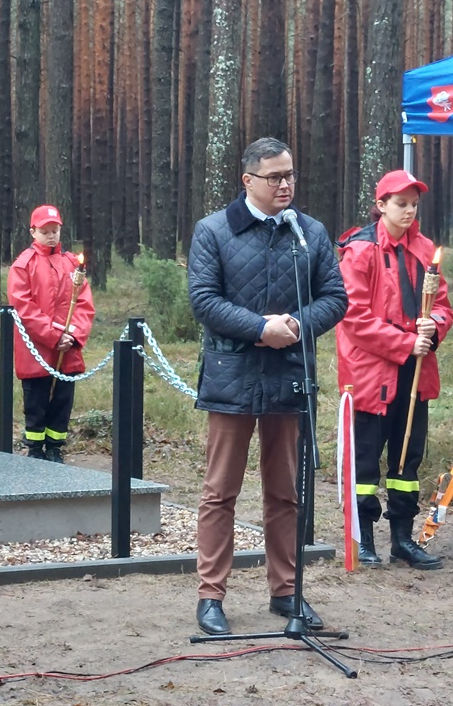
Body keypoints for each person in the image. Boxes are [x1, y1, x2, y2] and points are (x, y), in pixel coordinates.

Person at [187, 138, 347, 636]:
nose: (285, 184)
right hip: (232, 376)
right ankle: (211, 596)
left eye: (290, 175)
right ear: (248, 180)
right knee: (220, 492)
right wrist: (260, 328)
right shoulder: (214, 230)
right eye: (275, 176)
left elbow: (334, 297)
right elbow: (204, 300)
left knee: (285, 493)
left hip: (289, 376)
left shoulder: (309, 232)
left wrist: (296, 325)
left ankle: (286, 591)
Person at [335, 170, 448, 571]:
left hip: (415, 372)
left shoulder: (425, 248)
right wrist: (403, 343)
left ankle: (402, 538)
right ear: (381, 205)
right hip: (370, 374)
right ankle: (364, 538)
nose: (409, 211)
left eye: (414, 204)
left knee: (407, 460)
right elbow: (354, 316)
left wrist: (434, 326)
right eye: (401, 203)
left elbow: (442, 304)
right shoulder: (360, 250)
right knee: (366, 460)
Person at [7, 204, 95, 463]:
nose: (50, 236)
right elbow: (24, 307)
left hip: (67, 351)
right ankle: (35, 450)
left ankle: (55, 448)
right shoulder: (23, 265)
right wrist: (54, 335)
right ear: (33, 232)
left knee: (62, 402)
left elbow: (84, 304)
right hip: (36, 350)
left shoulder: (72, 264)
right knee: (36, 402)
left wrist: (73, 336)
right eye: (45, 231)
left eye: (54, 231)